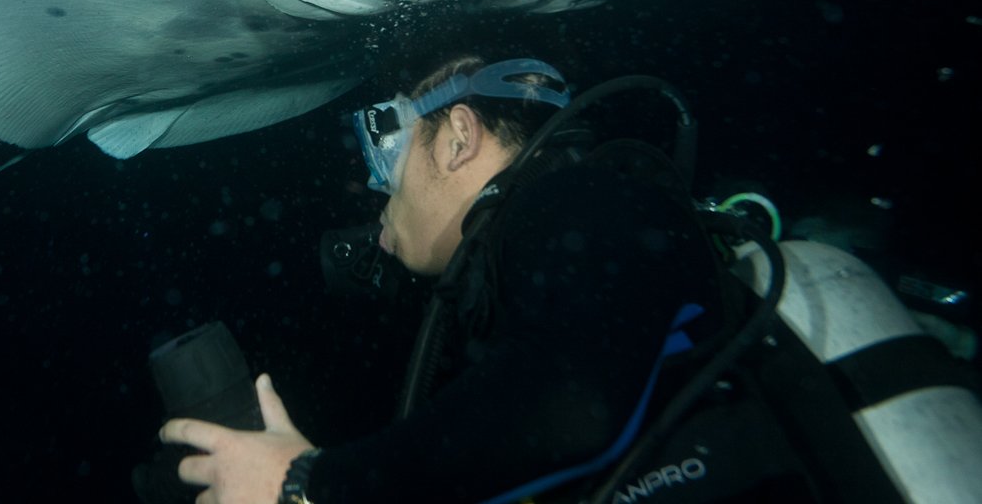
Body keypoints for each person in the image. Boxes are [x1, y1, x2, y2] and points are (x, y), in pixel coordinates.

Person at [159, 56, 726, 504]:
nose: (375, 185)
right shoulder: (536, 254)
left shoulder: (573, 201)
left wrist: (310, 483)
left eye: (386, 146)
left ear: (459, 138)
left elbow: (571, 406)